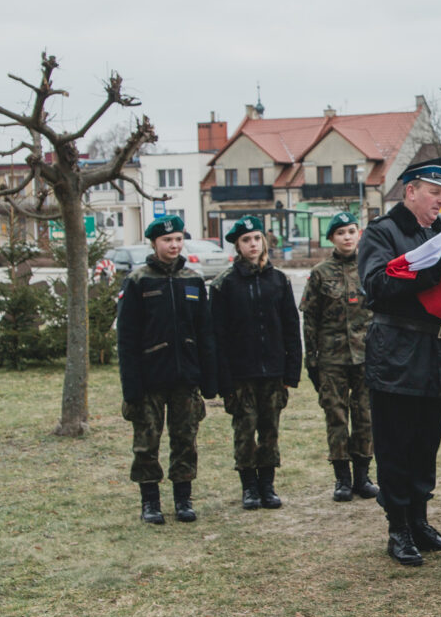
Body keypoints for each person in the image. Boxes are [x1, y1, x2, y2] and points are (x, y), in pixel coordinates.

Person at [358, 157, 441, 567]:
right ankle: (398, 528)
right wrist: (433, 271)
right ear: (410, 190)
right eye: (434, 192)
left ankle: (419, 521)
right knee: (396, 443)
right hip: (396, 352)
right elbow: (377, 285)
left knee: (425, 444)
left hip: (435, 353)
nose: (440, 201)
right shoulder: (384, 233)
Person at [116, 214, 217, 524]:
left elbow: (204, 333)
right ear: (154, 243)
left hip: (185, 378)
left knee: (185, 440)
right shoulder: (138, 281)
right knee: (146, 443)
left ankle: (183, 500)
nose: (174, 245)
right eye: (167, 240)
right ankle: (150, 502)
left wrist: (208, 379)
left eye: (178, 240)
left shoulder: (193, 280)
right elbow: (127, 338)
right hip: (149, 379)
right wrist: (132, 386)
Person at [210, 215, 302, 510]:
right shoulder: (225, 283)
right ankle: (249, 486)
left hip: (273, 371)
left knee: (270, 430)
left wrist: (292, 370)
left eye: (257, 238)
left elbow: (290, 326)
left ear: (264, 241)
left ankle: (268, 484)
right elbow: (217, 334)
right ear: (238, 245)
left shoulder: (279, 280)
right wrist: (224, 379)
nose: (253, 244)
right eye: (246, 240)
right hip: (241, 373)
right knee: (245, 430)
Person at [300, 211, 379, 502]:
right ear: (332, 238)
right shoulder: (321, 273)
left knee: (365, 417)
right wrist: (312, 361)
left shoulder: (370, 267)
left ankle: (363, 476)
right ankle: (342, 480)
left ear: (359, 234)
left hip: (366, 356)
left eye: (351, 231)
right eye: (340, 233)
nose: (347, 237)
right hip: (331, 359)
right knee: (336, 417)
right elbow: (310, 320)